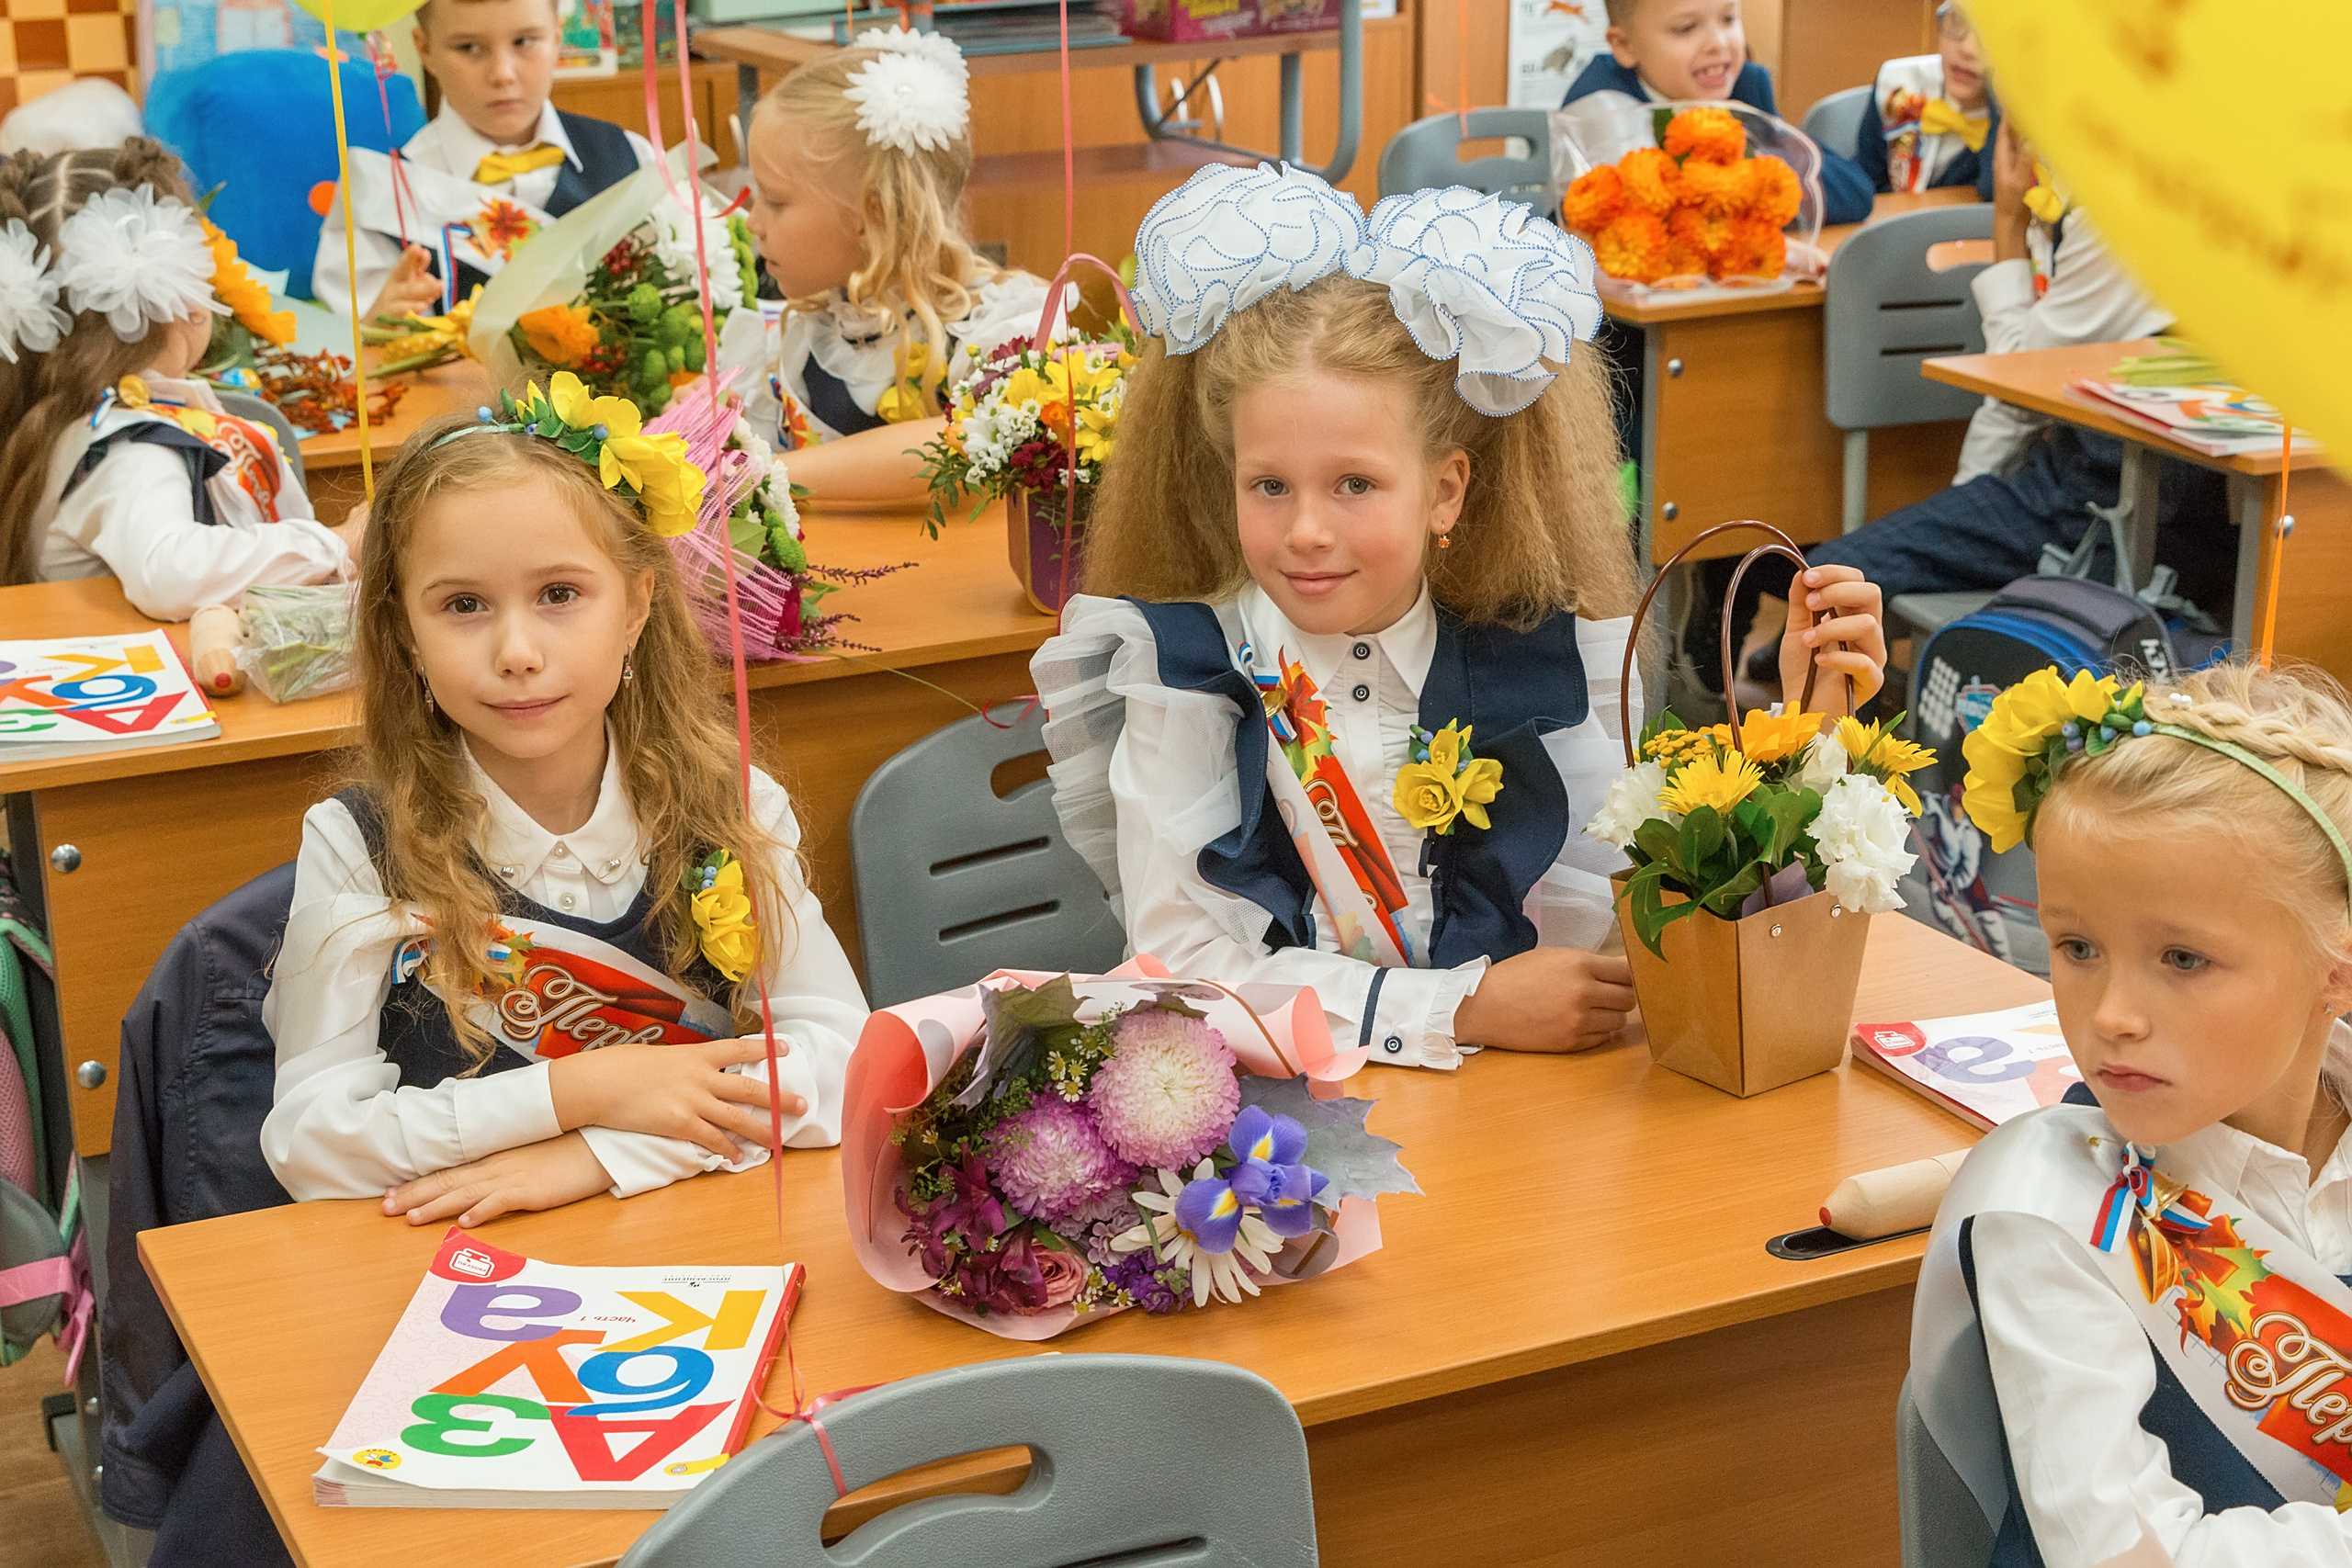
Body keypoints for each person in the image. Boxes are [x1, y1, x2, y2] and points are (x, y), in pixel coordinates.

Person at [1032, 164, 1891, 1066]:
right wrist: (1457, 1008)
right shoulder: (1185, 674)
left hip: (1529, 1128)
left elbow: (1667, 912)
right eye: (1268, 486)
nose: (1307, 531)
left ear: (1445, 490)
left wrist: (1807, 733)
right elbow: (1185, 973)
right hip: (1285, 1141)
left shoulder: (1555, 661)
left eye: (1354, 483)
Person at [259, 374, 866, 1224]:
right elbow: (314, 1142)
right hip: (463, 1280)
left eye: (559, 594)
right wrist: (576, 1090)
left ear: (636, 606)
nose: (517, 651)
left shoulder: (731, 805)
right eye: (464, 604)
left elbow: (842, 1062)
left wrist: (598, 1151)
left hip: (695, 1246)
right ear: (404, 633)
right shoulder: (356, 841)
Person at [1913, 660, 2352, 1564]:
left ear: (2335, 973)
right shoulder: (2054, 1219)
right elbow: (2120, 1554)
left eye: (2182, 959)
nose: (2110, 1014)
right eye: (2076, 946)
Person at [1710, 118, 2231, 700]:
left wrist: (2009, 221)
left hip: (2106, 501)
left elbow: (2018, 379)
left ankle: (1842, 724)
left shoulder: (2117, 210)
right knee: (1817, 575)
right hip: (2110, 478)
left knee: (1827, 576)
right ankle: (1826, 690)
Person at [0, 140, 357, 616]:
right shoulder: (131, 449)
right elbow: (170, 573)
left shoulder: (54, 416)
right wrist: (338, 543)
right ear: (174, 291)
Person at [732, 27, 1059, 503]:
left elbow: (965, 442)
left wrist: (769, 473)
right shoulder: (810, 333)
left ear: (873, 215)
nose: (752, 223)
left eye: (775, 201)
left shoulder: (998, 331)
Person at [311, 0, 657, 321]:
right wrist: (376, 323)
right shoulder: (381, 194)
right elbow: (350, 349)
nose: (502, 74)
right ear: (425, 49)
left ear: (557, 37)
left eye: (524, 41)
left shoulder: (630, 157)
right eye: (469, 48)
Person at [1562, 0, 1872, 225]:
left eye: (1728, 18)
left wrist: (1751, 169)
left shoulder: (1746, 87)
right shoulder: (1598, 101)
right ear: (1625, 45)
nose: (1718, 43)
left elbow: (1855, 192)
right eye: (1686, 28)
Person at [1856, 2, 1998, 197]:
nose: (1968, 48)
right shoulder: (1899, 87)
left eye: (1992, 33)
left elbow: (1993, 192)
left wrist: (2003, 101)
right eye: (1958, 19)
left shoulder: (2030, 120)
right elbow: (1865, 185)